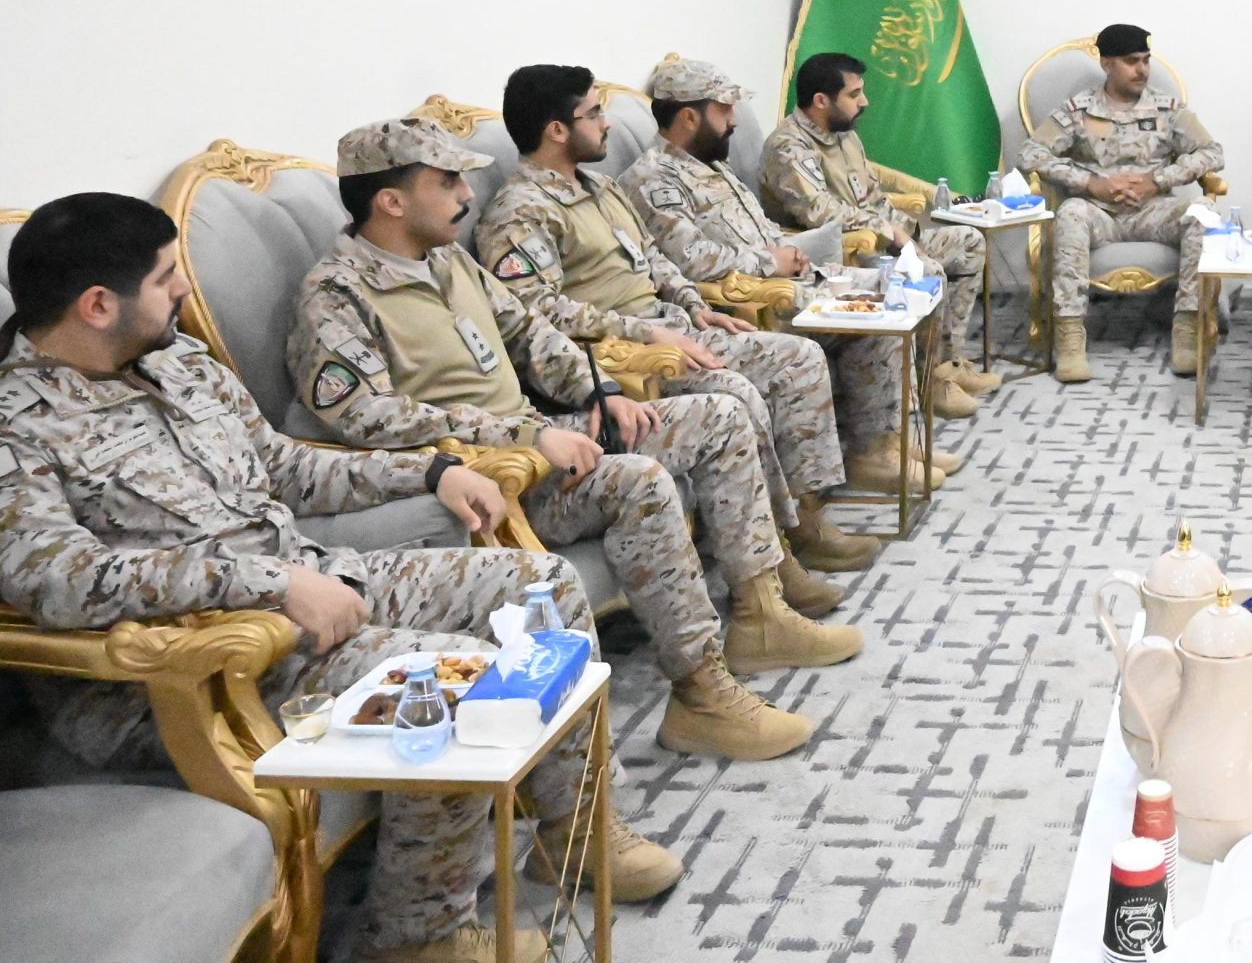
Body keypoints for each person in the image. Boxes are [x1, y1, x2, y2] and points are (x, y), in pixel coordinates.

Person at [0, 193, 682, 963]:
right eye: (166, 279)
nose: (185, 290)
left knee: (539, 584)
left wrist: (430, 472)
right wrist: (265, 584)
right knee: (454, 683)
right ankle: (415, 938)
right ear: (97, 304)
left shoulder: (177, 361)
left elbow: (284, 464)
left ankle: (574, 832)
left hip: (307, 581)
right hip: (192, 664)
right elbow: (52, 575)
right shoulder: (16, 420)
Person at [291, 118, 860, 766]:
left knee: (720, 415)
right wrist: (528, 432)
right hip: (492, 478)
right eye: (445, 181)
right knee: (639, 479)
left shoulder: (448, 260)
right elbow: (371, 418)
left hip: (548, 438)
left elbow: (533, 333)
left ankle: (761, 611)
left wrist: (600, 388)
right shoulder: (335, 293)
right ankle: (702, 693)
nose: (465, 193)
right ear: (390, 200)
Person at [474, 64, 876, 593]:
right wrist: (647, 335)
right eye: (594, 114)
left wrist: (692, 304)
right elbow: (538, 312)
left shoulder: (598, 187)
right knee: (741, 389)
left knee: (796, 357)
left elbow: (656, 261)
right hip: (625, 354)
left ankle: (804, 519)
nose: (608, 125)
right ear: (556, 129)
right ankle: (768, 570)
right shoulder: (519, 212)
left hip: (673, 328)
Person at [621, 58, 948, 496]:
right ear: (689, 116)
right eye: (725, 110)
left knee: (895, 290)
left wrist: (794, 251)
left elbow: (761, 232)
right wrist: (769, 262)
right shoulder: (653, 179)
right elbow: (692, 259)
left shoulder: (714, 167)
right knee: (876, 309)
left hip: (796, 279)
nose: (734, 121)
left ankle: (882, 444)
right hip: (754, 300)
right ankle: (846, 473)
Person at [757, 50, 1001, 420]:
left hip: (881, 239)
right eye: (854, 94)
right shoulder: (788, 147)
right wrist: (893, 235)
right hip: (838, 257)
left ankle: (945, 365)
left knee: (967, 242)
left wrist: (908, 231)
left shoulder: (844, 135)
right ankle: (929, 383)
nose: (864, 101)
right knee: (927, 271)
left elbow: (871, 197)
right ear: (821, 101)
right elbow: (820, 212)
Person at [1019, 22, 1225, 384]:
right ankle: (1069, 340)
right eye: (1131, 62)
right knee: (1070, 213)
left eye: (1145, 60)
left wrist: (1157, 180)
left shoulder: (1167, 108)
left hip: (1153, 210)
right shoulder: (1079, 110)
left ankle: (1188, 331)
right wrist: (1089, 182)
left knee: (1202, 215)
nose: (1142, 69)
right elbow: (1031, 153)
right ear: (1107, 64)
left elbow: (1212, 153)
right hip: (1100, 213)